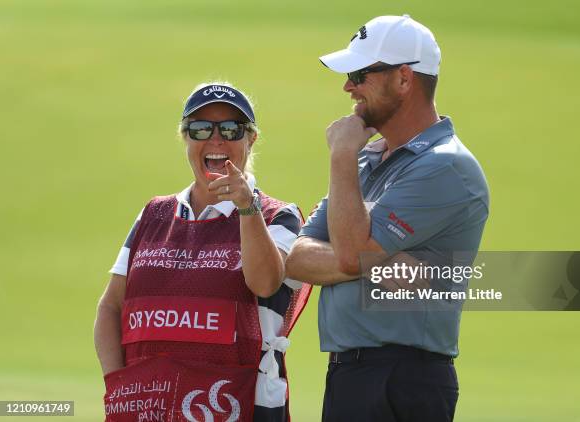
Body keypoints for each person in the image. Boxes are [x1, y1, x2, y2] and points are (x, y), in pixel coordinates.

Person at [286, 15, 489, 422]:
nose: (348, 87)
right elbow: (297, 256)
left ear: (403, 78)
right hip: (350, 374)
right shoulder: (367, 159)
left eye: (361, 74)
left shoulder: (446, 166)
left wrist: (341, 156)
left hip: (403, 380)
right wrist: (372, 260)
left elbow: (350, 254)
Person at [94, 82, 311, 422]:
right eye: (200, 129)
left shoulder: (277, 216)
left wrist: (246, 207)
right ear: (185, 139)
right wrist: (120, 387)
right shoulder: (154, 213)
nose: (216, 140)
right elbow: (111, 307)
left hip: (240, 407)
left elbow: (265, 283)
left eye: (230, 129)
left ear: (251, 139)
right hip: (149, 409)